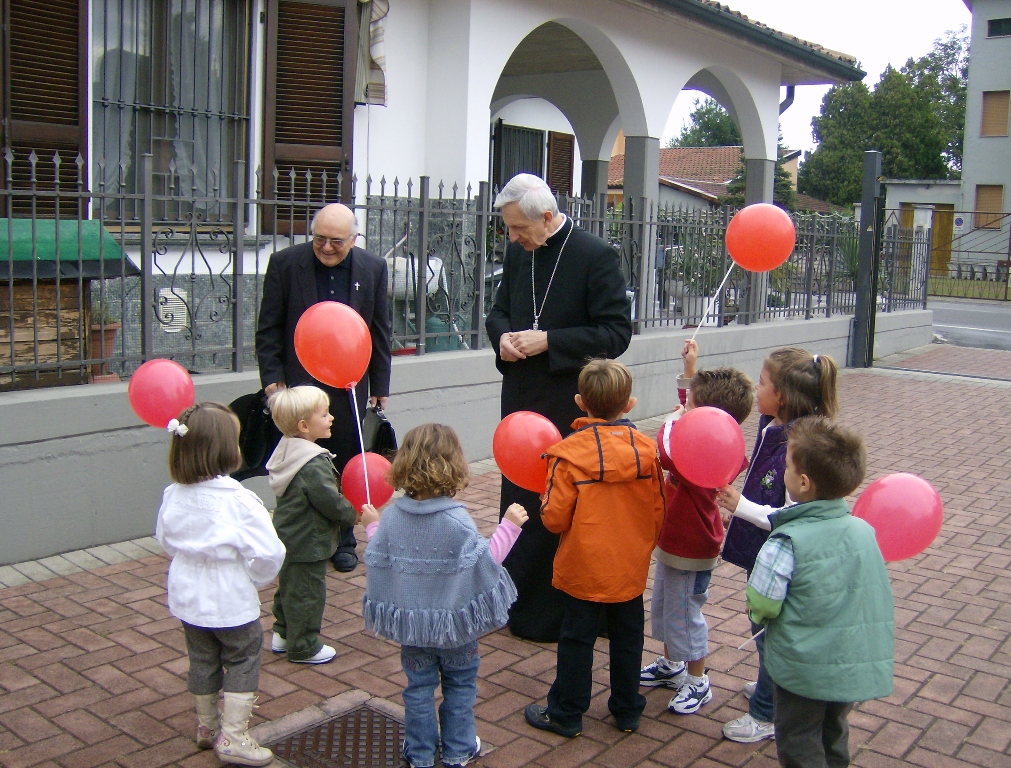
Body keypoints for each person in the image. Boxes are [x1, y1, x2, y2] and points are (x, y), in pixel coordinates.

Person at [486, 173, 633, 642]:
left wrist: (550, 340)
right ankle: (516, 604)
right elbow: (497, 312)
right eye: (508, 229)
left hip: (569, 403)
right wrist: (503, 339)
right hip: (520, 404)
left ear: (547, 218)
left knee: (564, 505)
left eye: (518, 229)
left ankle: (563, 613)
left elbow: (615, 333)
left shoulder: (596, 256)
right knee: (521, 503)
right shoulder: (517, 253)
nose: (511, 238)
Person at [361, 424, 527, 768]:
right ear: (453, 465)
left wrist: (371, 524)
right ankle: (458, 749)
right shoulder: (457, 521)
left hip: (415, 628)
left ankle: (419, 754)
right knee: (460, 688)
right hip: (455, 631)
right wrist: (509, 527)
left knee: (417, 689)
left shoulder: (392, 518)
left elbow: (379, 553)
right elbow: (485, 562)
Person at [524, 359, 665, 737]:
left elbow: (554, 519)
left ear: (580, 401)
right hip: (629, 565)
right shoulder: (648, 453)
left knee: (576, 639)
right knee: (629, 636)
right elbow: (658, 512)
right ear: (630, 404)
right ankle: (627, 709)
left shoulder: (566, 456)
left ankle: (567, 713)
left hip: (584, 565)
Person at [747, 417, 893, 768]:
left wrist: (760, 615)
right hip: (848, 661)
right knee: (833, 730)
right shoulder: (864, 530)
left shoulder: (786, 539)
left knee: (798, 737)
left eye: (786, 466)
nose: (783, 471)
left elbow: (762, 603)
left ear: (803, 482)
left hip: (803, 667)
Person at [256, 202, 392, 573]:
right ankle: (302, 535)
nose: (327, 248)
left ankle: (344, 538)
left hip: (348, 384)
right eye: (319, 240)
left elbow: (379, 331)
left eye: (336, 241)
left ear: (353, 239)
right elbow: (268, 328)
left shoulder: (373, 268)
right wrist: (272, 379)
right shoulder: (285, 264)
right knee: (303, 461)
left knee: (348, 459)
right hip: (299, 384)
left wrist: (380, 384)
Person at [716, 347, 839, 743]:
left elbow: (788, 517)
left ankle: (766, 713)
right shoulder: (774, 425)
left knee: (769, 633)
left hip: (779, 556)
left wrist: (740, 505)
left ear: (782, 395)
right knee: (762, 628)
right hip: (764, 552)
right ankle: (771, 690)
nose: (756, 387)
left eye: (763, 382)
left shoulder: (798, 444)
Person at [155, 402, 286, 767]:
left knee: (202, 656)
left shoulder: (173, 494)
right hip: (229, 596)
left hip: (187, 594)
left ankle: (207, 725)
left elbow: (165, 539)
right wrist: (255, 577)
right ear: (228, 448)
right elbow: (270, 552)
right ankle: (234, 736)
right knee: (243, 657)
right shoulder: (240, 501)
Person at [641, 341, 753, 716]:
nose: (685, 409)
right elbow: (697, 411)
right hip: (676, 542)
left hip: (692, 549)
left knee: (683, 616)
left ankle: (699, 681)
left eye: (691, 407)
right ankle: (673, 667)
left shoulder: (708, 452)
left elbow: (668, 451)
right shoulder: (712, 437)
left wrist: (671, 421)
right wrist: (690, 372)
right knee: (665, 609)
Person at [265, 386, 358, 664]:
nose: (331, 418)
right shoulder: (313, 462)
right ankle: (304, 645)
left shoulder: (288, 450)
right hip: (308, 539)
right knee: (307, 593)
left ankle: (282, 633)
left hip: (289, 534)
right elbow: (328, 500)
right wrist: (352, 514)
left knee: (290, 587)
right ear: (304, 425)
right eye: (325, 414)